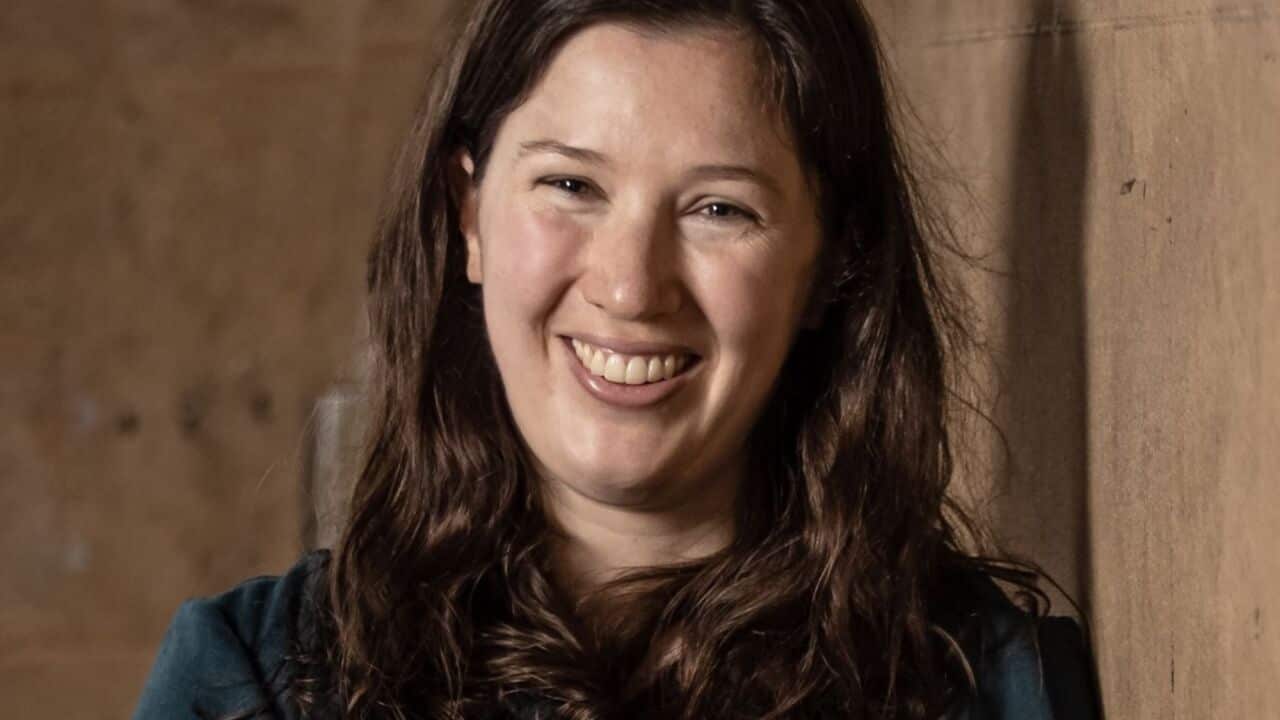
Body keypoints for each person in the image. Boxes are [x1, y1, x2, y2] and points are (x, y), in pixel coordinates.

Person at [134, 0, 1101, 718]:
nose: (632, 288)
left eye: (719, 208)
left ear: (833, 262)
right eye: (570, 184)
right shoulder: (247, 683)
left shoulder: (990, 689)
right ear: (468, 213)